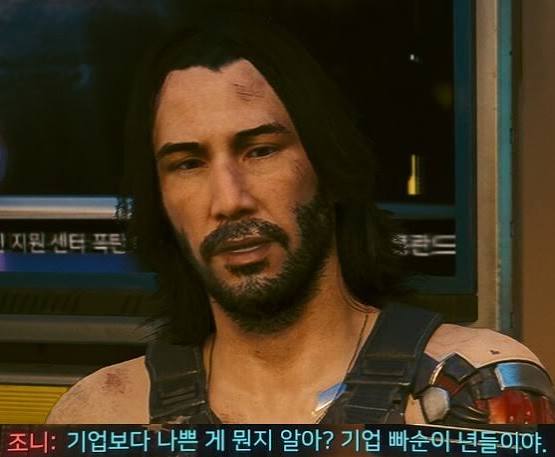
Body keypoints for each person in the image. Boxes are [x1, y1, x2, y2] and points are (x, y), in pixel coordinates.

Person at [48, 18, 554, 425]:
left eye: (260, 151)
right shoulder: (103, 412)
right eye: (188, 163)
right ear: (159, 198)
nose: (229, 200)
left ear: (326, 165)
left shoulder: (477, 387)